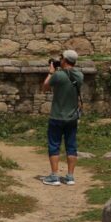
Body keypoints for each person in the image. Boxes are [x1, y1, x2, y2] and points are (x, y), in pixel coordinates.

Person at [41, 49, 84, 186]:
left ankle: (54, 176)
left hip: (57, 116)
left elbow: (45, 87)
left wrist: (51, 72)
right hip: (72, 117)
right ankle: (70, 176)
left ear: (64, 60)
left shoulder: (58, 75)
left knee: (54, 145)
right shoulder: (79, 75)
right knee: (71, 145)